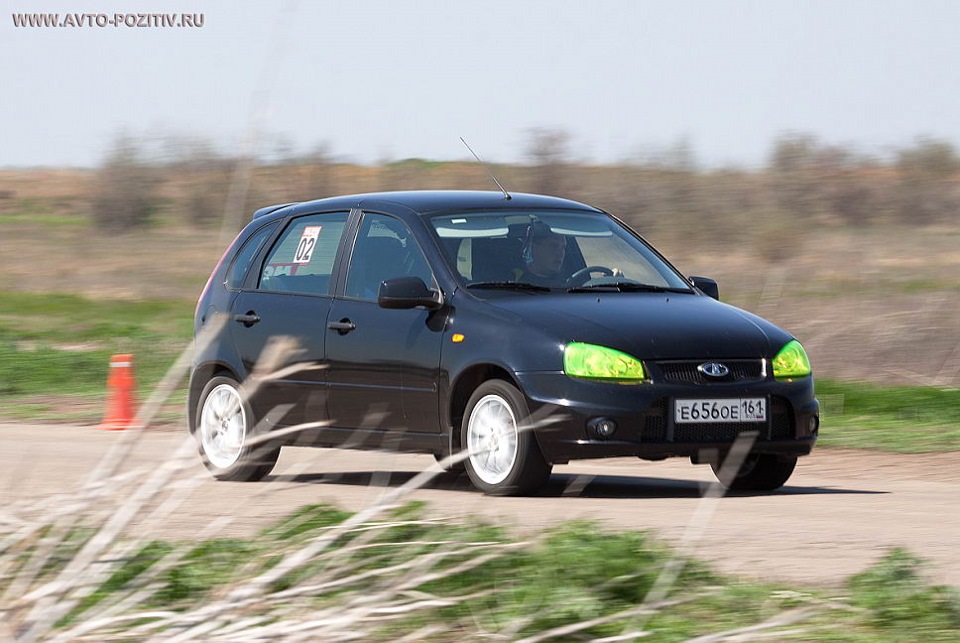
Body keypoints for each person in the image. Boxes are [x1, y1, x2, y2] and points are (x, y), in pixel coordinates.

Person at [518, 222, 568, 287]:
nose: (560, 253)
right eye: (554, 246)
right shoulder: (517, 285)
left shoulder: (570, 284)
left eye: (563, 247)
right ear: (534, 247)